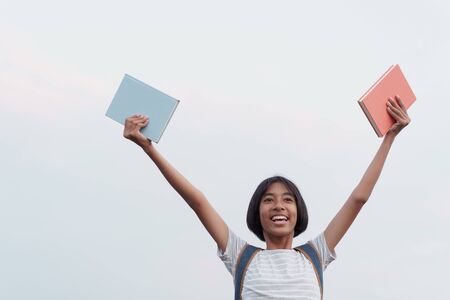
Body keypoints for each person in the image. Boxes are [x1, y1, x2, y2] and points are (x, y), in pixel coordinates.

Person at [122, 95, 411, 299]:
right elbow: (197, 200)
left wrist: (390, 138)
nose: (278, 206)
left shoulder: (315, 255)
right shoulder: (241, 256)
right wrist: (149, 148)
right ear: (257, 212)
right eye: (268, 199)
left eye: (287, 199)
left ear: (298, 211)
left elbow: (358, 199)